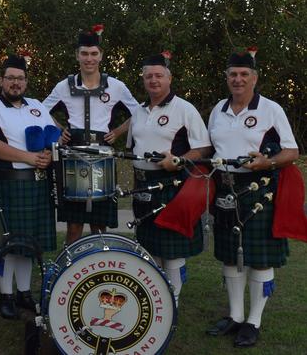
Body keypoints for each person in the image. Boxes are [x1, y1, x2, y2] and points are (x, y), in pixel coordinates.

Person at [206, 49, 298, 348]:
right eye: (233, 74)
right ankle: (234, 316)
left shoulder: (271, 109)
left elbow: (291, 152)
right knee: (231, 256)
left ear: (254, 78)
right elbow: (210, 150)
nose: (238, 79)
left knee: (258, 260)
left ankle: (253, 321)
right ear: (227, 77)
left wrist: (266, 163)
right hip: (225, 187)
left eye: (244, 74)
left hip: (259, 189)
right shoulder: (218, 109)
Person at [0, 54, 57, 319]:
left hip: (37, 184)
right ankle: (5, 295)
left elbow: (50, 135)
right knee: (5, 245)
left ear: (26, 81)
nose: (15, 83)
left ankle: (23, 293)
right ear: (1, 80)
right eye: (10, 78)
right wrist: (29, 158)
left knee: (28, 244)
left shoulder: (36, 105)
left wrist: (47, 155)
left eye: (20, 78)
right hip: (8, 185)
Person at [126, 52, 211, 306]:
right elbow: (133, 147)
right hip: (143, 185)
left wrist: (180, 160)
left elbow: (204, 148)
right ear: (143, 80)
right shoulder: (138, 111)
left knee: (172, 251)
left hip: (172, 185)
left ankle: (171, 303)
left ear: (169, 78)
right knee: (150, 247)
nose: (154, 80)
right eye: (148, 76)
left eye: (159, 75)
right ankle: (155, 298)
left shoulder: (185, 109)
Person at [43, 26, 138, 243]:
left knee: (99, 224)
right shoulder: (64, 86)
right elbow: (39, 110)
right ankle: (71, 269)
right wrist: (59, 129)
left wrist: (118, 131)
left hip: (103, 153)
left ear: (101, 55)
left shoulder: (116, 86)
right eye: (84, 53)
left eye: (94, 53)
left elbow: (140, 112)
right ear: (77, 55)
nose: (89, 58)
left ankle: (98, 266)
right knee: (74, 225)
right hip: (73, 153)